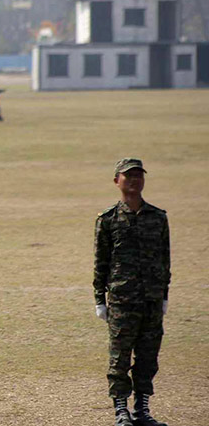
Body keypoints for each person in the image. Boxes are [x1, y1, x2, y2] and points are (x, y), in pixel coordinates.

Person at [93, 158, 170, 426]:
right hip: (122, 301)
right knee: (120, 359)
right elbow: (101, 262)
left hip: (151, 300)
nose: (135, 180)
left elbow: (164, 259)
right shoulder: (108, 219)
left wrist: (164, 295)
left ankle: (142, 410)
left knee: (148, 358)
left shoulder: (158, 217)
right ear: (117, 181)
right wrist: (99, 300)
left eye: (139, 175)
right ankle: (121, 410)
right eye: (128, 176)